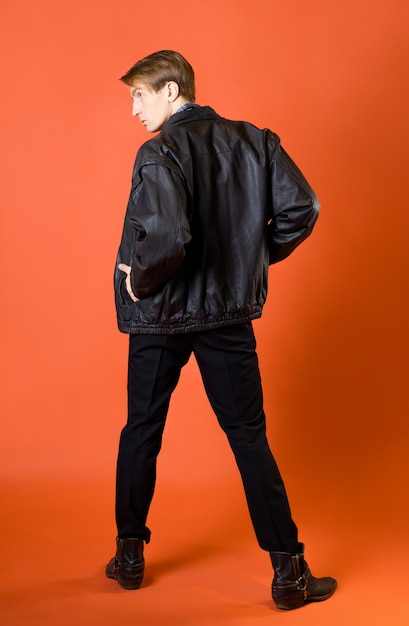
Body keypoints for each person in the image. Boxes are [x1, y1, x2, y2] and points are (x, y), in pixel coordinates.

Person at [106, 49, 337, 611]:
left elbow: (167, 239)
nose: (134, 109)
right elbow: (302, 208)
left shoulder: (158, 151)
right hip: (225, 319)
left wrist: (139, 281)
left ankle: (130, 557)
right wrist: (248, 262)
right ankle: (289, 572)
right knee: (247, 436)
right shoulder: (253, 142)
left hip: (159, 316)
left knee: (142, 430)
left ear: (170, 91)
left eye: (140, 95)